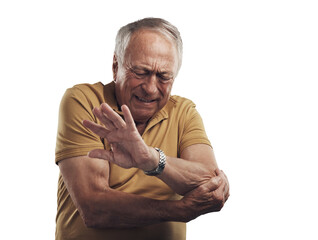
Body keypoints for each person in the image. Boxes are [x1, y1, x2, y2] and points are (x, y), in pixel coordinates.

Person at [55, 17, 229, 240]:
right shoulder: (84, 101)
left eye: (163, 76)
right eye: (140, 72)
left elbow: (210, 184)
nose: (150, 88)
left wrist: (152, 160)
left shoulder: (184, 112)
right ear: (116, 65)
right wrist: (181, 210)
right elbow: (94, 208)